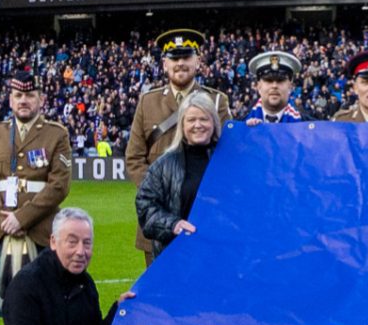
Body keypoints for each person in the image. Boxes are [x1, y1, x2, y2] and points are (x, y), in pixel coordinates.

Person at [0, 74, 72, 319]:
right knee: (7, 309)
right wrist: (4, 221)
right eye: (18, 96)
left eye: (30, 95)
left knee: (44, 308)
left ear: (41, 100)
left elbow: (59, 186)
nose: (23, 100)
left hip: (40, 233)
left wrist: (22, 218)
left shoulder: (56, 135)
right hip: (2, 232)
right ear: (10, 100)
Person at [126, 28, 227, 188]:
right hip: (159, 204)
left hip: (201, 202)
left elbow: (227, 154)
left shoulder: (216, 101)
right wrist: (156, 191)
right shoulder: (147, 102)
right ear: (165, 64)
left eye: (186, 57)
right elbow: (134, 157)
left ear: (198, 62)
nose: (180, 63)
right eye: (175, 58)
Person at [135, 99, 219, 263]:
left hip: (219, 259)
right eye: (191, 120)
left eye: (204, 119)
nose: (198, 125)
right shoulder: (163, 165)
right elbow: (145, 207)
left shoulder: (230, 159)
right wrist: (173, 224)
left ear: (214, 122)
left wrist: (255, 130)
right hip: (176, 260)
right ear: (182, 124)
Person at [239, 49, 304, 124]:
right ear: (258, 86)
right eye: (268, 80)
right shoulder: (240, 126)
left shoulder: (308, 127)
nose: (274, 86)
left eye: (280, 80)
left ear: (290, 86)